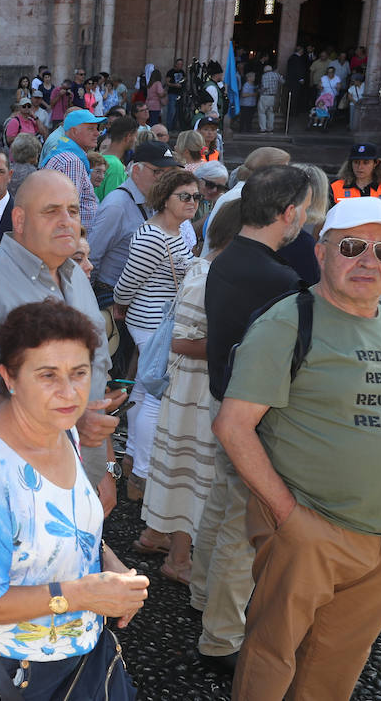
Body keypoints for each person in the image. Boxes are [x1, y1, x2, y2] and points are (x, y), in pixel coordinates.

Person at [214, 197, 381, 699]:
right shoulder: (289, 321)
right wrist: (290, 517)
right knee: (272, 657)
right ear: (322, 252)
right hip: (310, 526)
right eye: (353, 247)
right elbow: (233, 426)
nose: (369, 262)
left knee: (338, 666)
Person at [0, 301, 146, 697]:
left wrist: (105, 561)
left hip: (83, 658)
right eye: (48, 375)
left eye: (79, 373)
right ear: (9, 378)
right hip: (12, 672)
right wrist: (84, 593)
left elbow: (54, 523)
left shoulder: (62, 430)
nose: (69, 392)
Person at [0, 171, 126, 509]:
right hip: (9, 489)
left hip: (79, 481)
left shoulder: (77, 278)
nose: (66, 221)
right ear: (20, 219)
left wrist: (105, 470)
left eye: (72, 210)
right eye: (51, 211)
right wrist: (63, 423)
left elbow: (96, 387)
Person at [193, 164, 310, 676]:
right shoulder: (281, 278)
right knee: (242, 532)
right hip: (252, 417)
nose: (304, 222)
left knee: (220, 510)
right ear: (287, 213)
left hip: (225, 400)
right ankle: (220, 638)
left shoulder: (227, 258)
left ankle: (201, 598)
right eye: (303, 212)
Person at [141, 199, 242, 587]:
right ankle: (179, 558)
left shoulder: (204, 270)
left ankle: (158, 536)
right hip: (194, 390)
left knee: (180, 468)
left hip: (192, 387)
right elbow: (182, 342)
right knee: (190, 474)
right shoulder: (206, 276)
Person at [111, 168, 198, 505]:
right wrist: (120, 305)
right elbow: (127, 282)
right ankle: (142, 474)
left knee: (146, 393)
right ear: (165, 198)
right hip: (151, 323)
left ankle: (134, 462)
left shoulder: (174, 231)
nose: (192, 202)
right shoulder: (153, 237)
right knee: (154, 397)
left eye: (195, 196)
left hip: (158, 322)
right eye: (184, 196)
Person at [87, 140, 177, 307]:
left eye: (169, 173)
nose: (165, 179)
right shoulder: (116, 206)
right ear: (136, 171)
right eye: (158, 172)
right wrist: (90, 306)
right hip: (112, 298)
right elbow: (91, 258)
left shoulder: (152, 200)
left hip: (137, 297)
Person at [40, 109, 104, 233]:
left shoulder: (66, 156)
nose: (97, 133)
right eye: (91, 129)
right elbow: (68, 212)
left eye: (97, 128)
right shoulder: (71, 161)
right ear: (74, 131)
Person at [95, 115, 136, 200]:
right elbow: (113, 202)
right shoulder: (115, 166)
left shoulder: (99, 157)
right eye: (135, 136)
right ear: (128, 137)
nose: (136, 140)